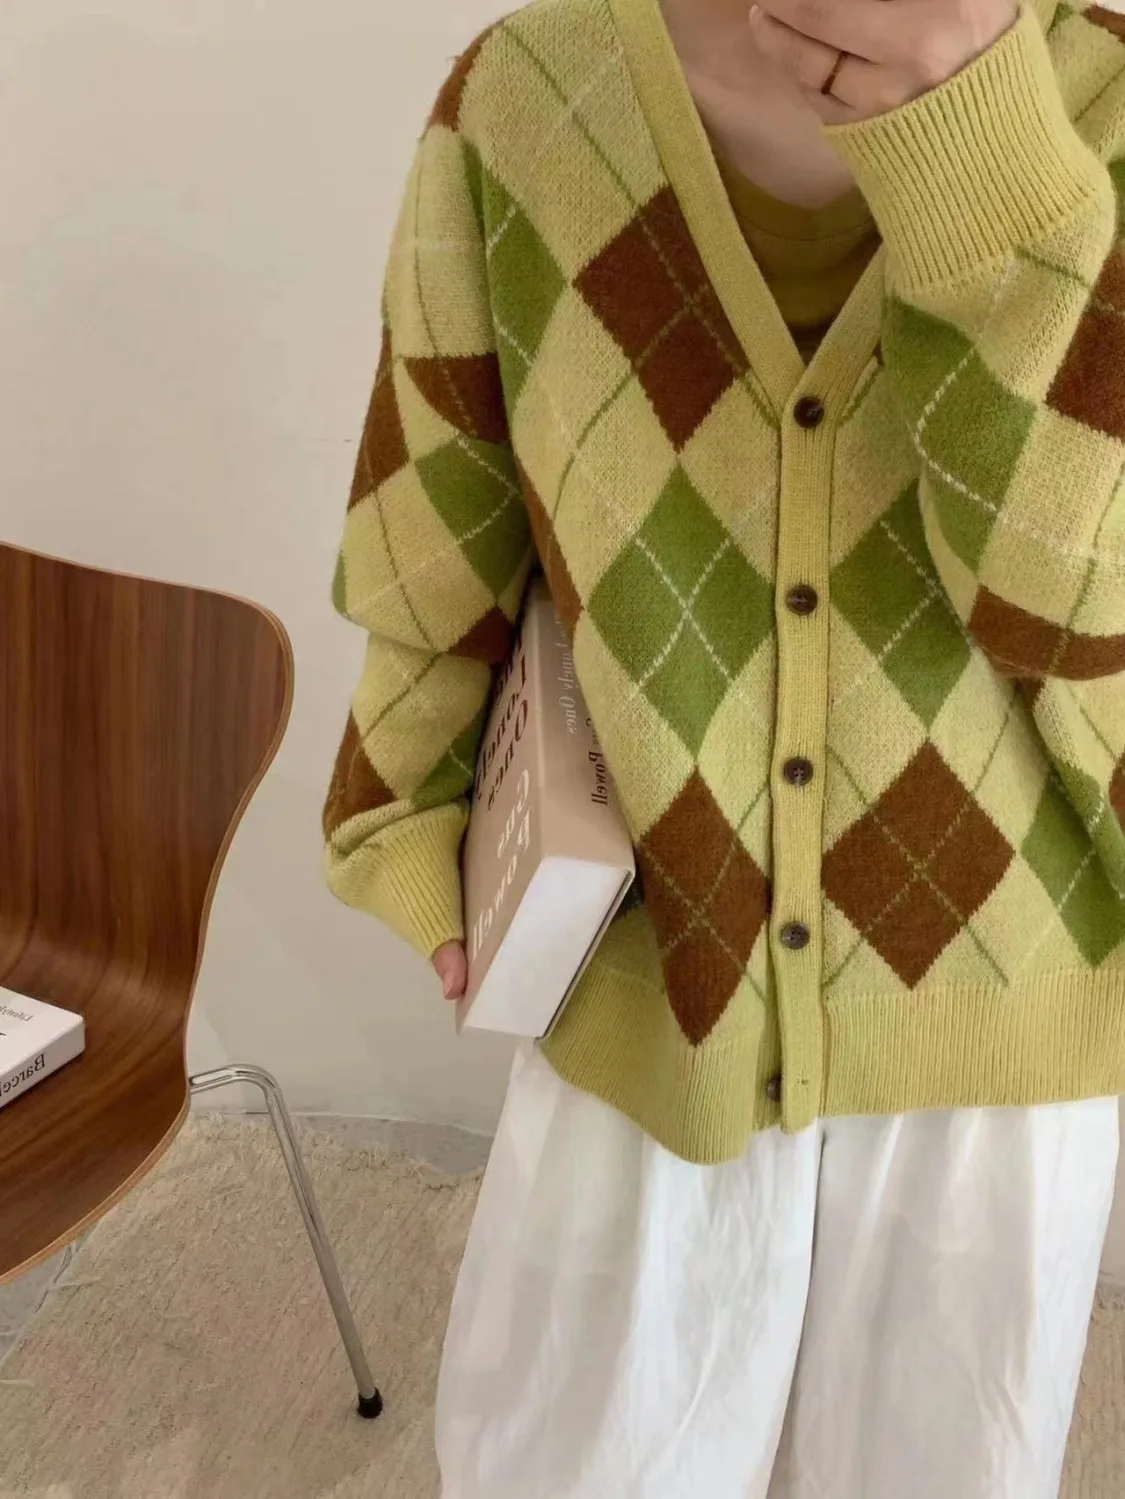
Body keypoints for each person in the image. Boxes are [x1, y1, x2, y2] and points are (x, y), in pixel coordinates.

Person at [322, 0, 1125, 1493]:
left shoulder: (1107, 107)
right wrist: (405, 825)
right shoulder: (527, 98)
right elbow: (433, 524)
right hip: (650, 960)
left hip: (1001, 997)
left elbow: (1082, 607)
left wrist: (986, 160)